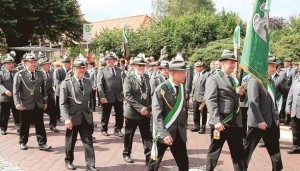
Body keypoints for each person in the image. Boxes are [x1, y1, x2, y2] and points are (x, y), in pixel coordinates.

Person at [205, 50, 246, 171]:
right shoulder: (214, 78)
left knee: (238, 153)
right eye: (231, 63)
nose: (233, 65)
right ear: (222, 63)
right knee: (214, 152)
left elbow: (241, 98)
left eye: (234, 63)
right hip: (222, 122)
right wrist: (216, 120)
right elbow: (211, 100)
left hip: (235, 123)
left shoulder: (234, 80)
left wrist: (242, 93)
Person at [148, 56, 189, 171]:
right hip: (165, 132)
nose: (185, 75)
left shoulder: (182, 88)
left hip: (179, 133)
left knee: (183, 164)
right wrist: (164, 134)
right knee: (154, 163)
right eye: (182, 73)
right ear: (173, 73)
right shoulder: (161, 89)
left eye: (185, 72)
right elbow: (157, 114)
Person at [244, 56, 283, 170]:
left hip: (270, 122)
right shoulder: (255, 80)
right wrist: (260, 120)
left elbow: (273, 103)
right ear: (264, 66)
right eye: (271, 66)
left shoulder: (271, 81)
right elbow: (253, 102)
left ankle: (277, 169)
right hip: (257, 123)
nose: (274, 68)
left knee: (275, 150)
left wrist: (275, 118)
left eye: (275, 66)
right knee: (247, 150)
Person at [60, 59, 98, 171]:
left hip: (86, 117)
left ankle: (90, 165)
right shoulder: (66, 83)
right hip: (72, 118)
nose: (82, 70)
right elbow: (63, 103)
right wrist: (66, 119)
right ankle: (68, 161)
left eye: (83, 68)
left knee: (88, 142)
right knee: (70, 142)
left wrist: (90, 114)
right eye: (79, 68)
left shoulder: (87, 81)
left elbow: (90, 100)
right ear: (74, 69)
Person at [13, 53, 51, 151]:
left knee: (40, 124)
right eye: (31, 62)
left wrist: (45, 102)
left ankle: (42, 143)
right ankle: (23, 142)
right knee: (24, 125)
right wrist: (17, 103)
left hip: (38, 103)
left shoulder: (39, 73)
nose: (33, 64)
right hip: (25, 104)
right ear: (25, 63)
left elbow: (43, 89)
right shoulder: (20, 74)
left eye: (35, 62)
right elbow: (15, 91)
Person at [122, 55, 152, 164]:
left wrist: (150, 108)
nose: (142, 67)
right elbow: (128, 95)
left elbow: (149, 94)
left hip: (145, 113)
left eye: (143, 65)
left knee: (147, 136)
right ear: (134, 66)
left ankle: (149, 157)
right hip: (132, 113)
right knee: (129, 135)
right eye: (139, 65)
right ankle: (126, 153)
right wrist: (140, 108)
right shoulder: (128, 78)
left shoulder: (147, 77)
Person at [97, 54, 124, 137]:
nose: (109, 61)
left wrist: (123, 93)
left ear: (114, 61)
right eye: (108, 59)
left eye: (111, 59)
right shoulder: (102, 71)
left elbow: (122, 82)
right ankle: (104, 129)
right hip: (107, 97)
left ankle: (118, 130)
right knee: (105, 114)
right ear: (105, 61)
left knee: (119, 114)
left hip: (118, 96)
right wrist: (102, 96)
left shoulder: (119, 70)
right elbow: (100, 84)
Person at [0, 57, 20, 135]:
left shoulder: (17, 72)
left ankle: (19, 128)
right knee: (4, 114)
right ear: (5, 65)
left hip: (15, 97)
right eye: (9, 64)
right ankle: (3, 128)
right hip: (5, 97)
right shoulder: (1, 73)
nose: (11, 65)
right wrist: (5, 91)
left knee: (17, 114)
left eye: (12, 63)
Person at [39, 58, 59, 132]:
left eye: (48, 64)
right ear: (43, 66)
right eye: (47, 65)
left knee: (53, 112)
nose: (48, 66)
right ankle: (41, 128)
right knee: (40, 113)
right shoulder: (39, 73)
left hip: (50, 95)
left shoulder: (52, 72)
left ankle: (53, 126)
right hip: (42, 96)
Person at [190, 61, 209, 134]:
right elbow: (193, 85)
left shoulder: (207, 75)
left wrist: (205, 96)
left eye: (197, 67)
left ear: (201, 67)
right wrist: (192, 94)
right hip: (195, 96)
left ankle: (203, 128)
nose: (196, 68)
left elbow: (207, 86)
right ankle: (196, 126)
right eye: (195, 67)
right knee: (195, 112)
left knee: (203, 113)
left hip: (202, 97)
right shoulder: (196, 74)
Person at [53, 56, 72, 122]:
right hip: (60, 91)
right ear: (63, 63)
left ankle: (67, 116)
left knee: (68, 104)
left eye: (68, 63)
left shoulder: (71, 71)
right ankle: (58, 117)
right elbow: (57, 82)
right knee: (59, 105)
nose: (67, 64)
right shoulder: (58, 70)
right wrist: (65, 86)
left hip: (69, 92)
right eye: (65, 63)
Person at [286, 71, 300, 154]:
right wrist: (288, 107)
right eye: (299, 71)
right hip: (294, 109)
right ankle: (296, 147)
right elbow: (290, 94)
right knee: (295, 130)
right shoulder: (295, 81)